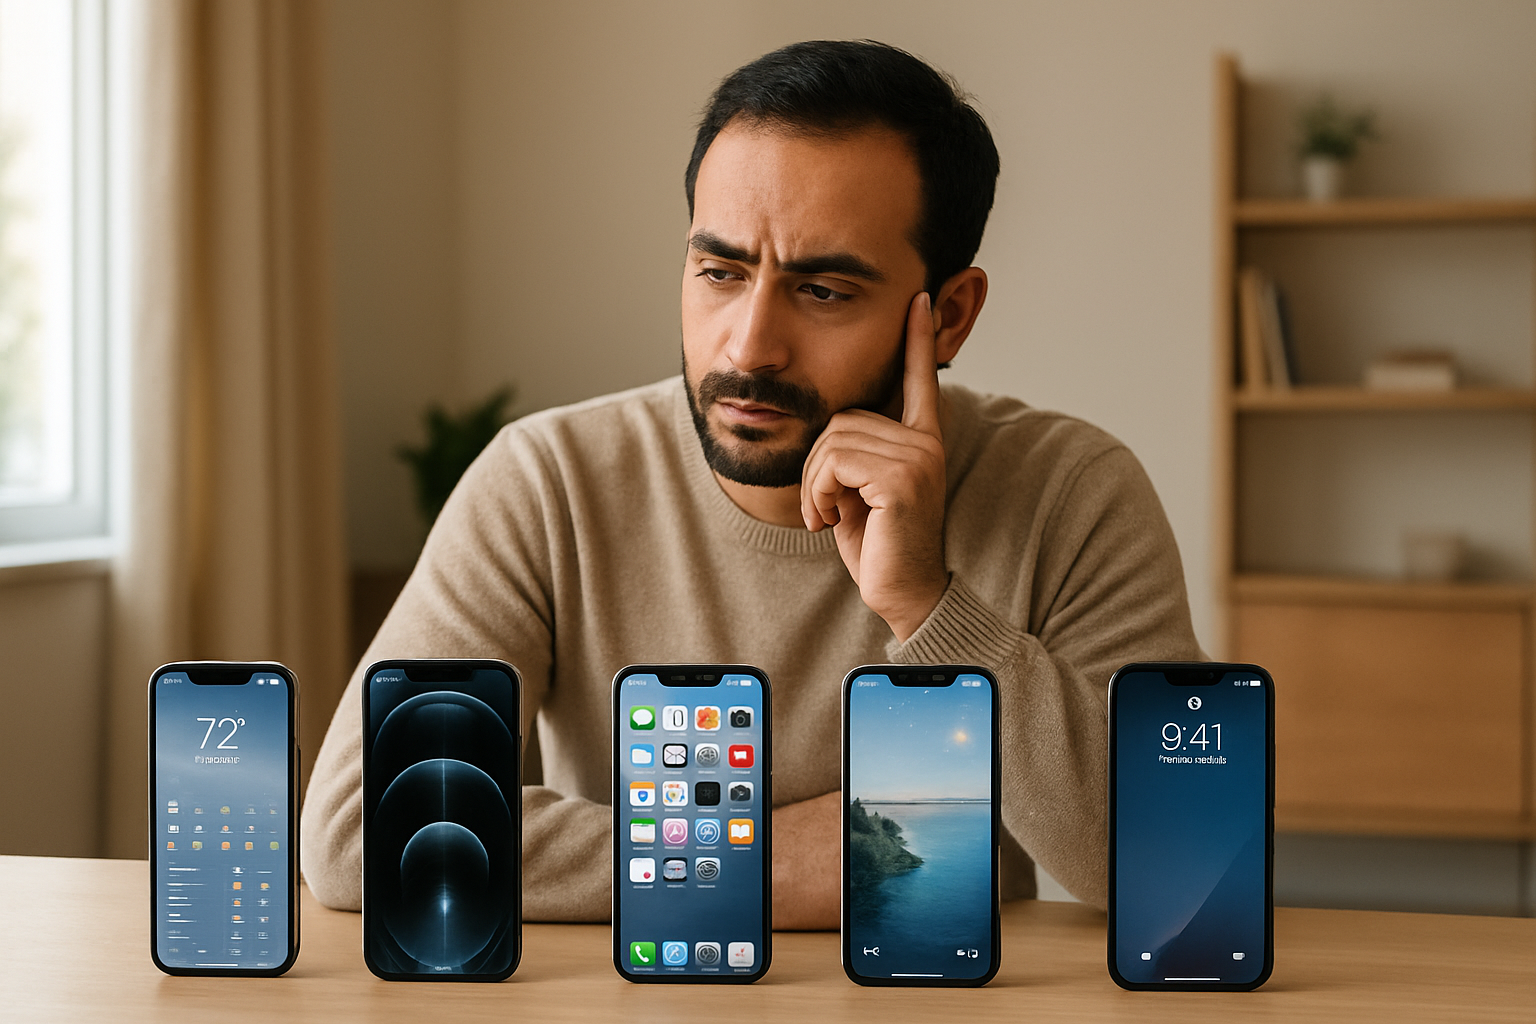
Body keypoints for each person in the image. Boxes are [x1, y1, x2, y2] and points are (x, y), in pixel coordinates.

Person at [301, 39, 1200, 928]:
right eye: (721, 272)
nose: (748, 346)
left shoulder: (1071, 492)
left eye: (824, 291)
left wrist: (929, 608)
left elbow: (1177, 870)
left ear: (951, 313)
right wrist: (772, 862)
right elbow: (360, 833)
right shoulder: (549, 482)